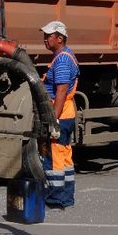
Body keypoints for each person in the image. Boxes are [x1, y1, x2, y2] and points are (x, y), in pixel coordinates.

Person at [40, 20, 79, 208]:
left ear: (60, 38)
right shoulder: (65, 55)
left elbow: (61, 91)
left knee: (54, 157)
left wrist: (53, 119)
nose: (45, 39)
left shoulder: (62, 60)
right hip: (66, 113)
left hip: (61, 114)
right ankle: (67, 198)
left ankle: (55, 200)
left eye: (49, 36)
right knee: (64, 155)